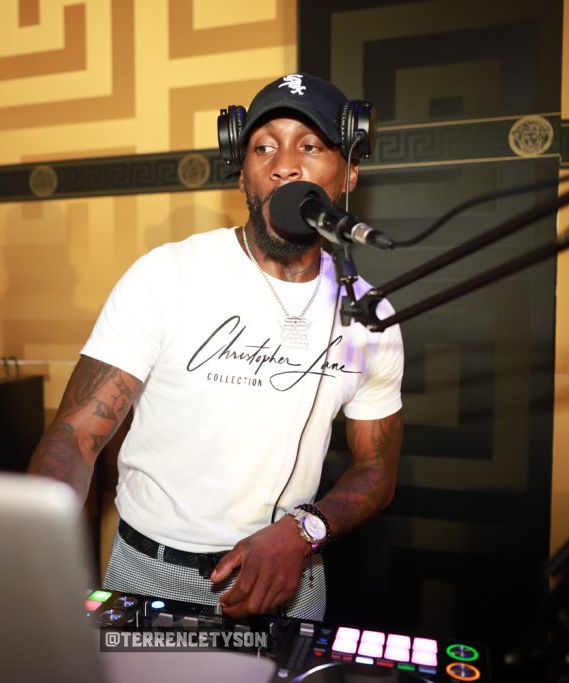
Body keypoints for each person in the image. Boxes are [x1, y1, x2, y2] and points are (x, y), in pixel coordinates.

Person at [29, 73, 404, 621]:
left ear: (349, 171)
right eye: (263, 147)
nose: (284, 165)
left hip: (290, 572)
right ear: (242, 172)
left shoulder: (368, 316)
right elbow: (75, 435)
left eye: (310, 146)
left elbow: (376, 468)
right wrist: (37, 557)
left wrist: (304, 531)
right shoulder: (166, 275)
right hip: (149, 569)